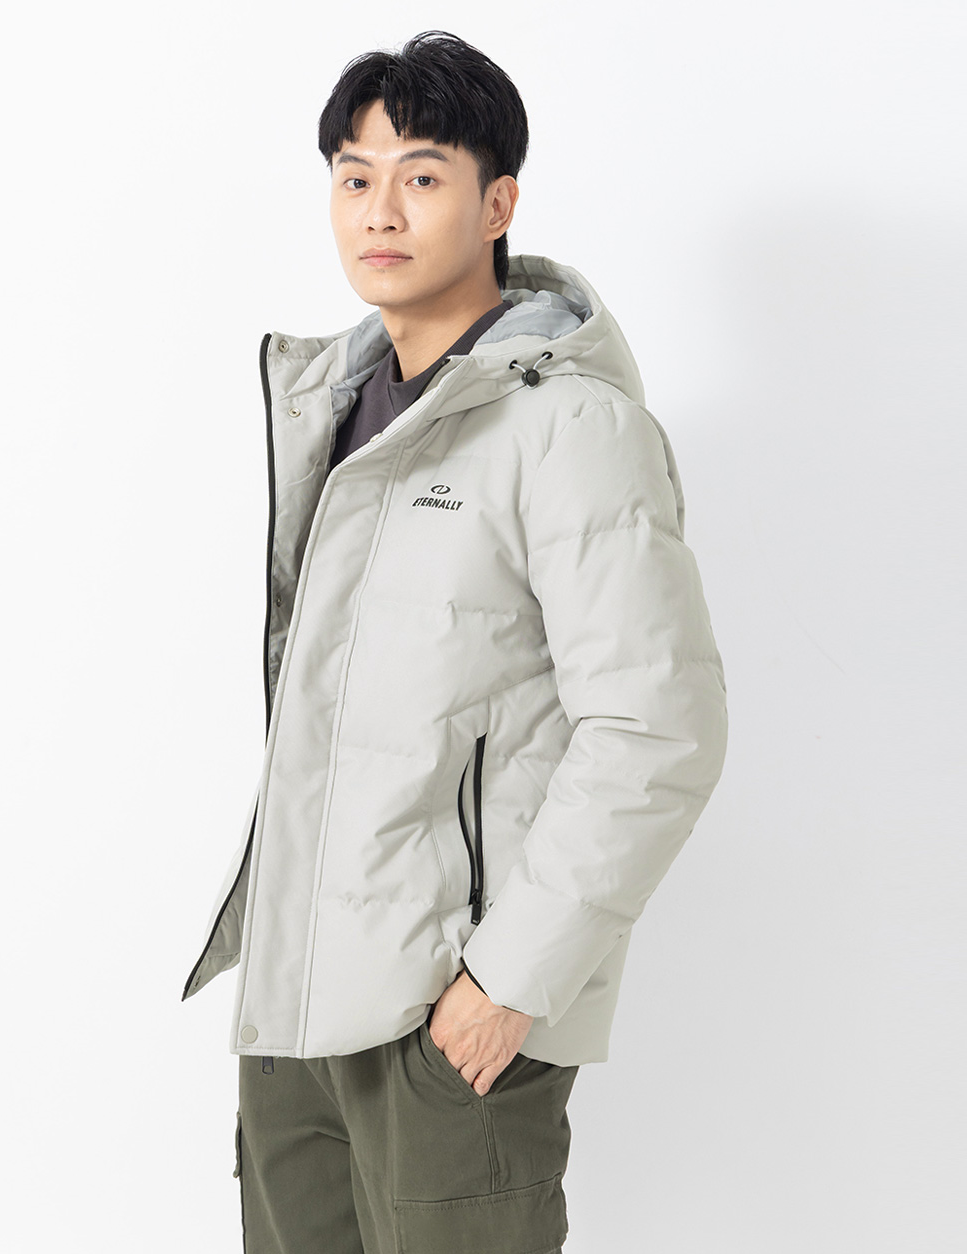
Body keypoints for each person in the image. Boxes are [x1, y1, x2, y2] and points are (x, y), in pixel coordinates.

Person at [181, 29, 728, 1254]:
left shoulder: (568, 428)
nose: (379, 210)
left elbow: (658, 729)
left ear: (497, 204)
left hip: (447, 1021)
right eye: (354, 175)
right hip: (295, 1017)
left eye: (420, 176)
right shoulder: (335, 408)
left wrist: (506, 984)